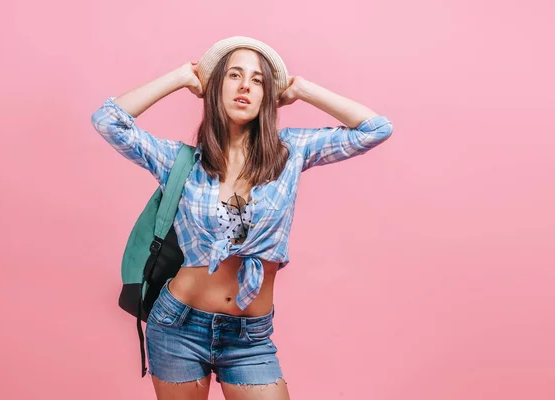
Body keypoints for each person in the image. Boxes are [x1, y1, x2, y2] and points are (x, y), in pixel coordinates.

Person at [90, 36, 393, 400]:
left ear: (269, 95)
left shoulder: (290, 153)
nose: (245, 85)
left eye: (258, 79)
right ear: (216, 88)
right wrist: (181, 78)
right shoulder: (180, 161)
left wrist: (301, 89)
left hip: (249, 336)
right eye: (234, 75)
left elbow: (375, 129)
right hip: (178, 326)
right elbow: (108, 121)